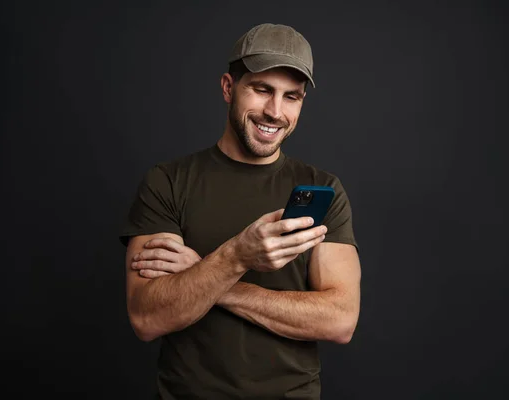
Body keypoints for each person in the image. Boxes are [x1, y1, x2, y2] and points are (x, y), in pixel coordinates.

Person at [119, 23, 361, 400]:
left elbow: (341, 319)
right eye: (262, 90)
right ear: (229, 88)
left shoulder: (324, 189)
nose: (274, 111)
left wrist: (212, 276)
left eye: (291, 97)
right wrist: (236, 255)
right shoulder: (167, 182)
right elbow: (147, 318)